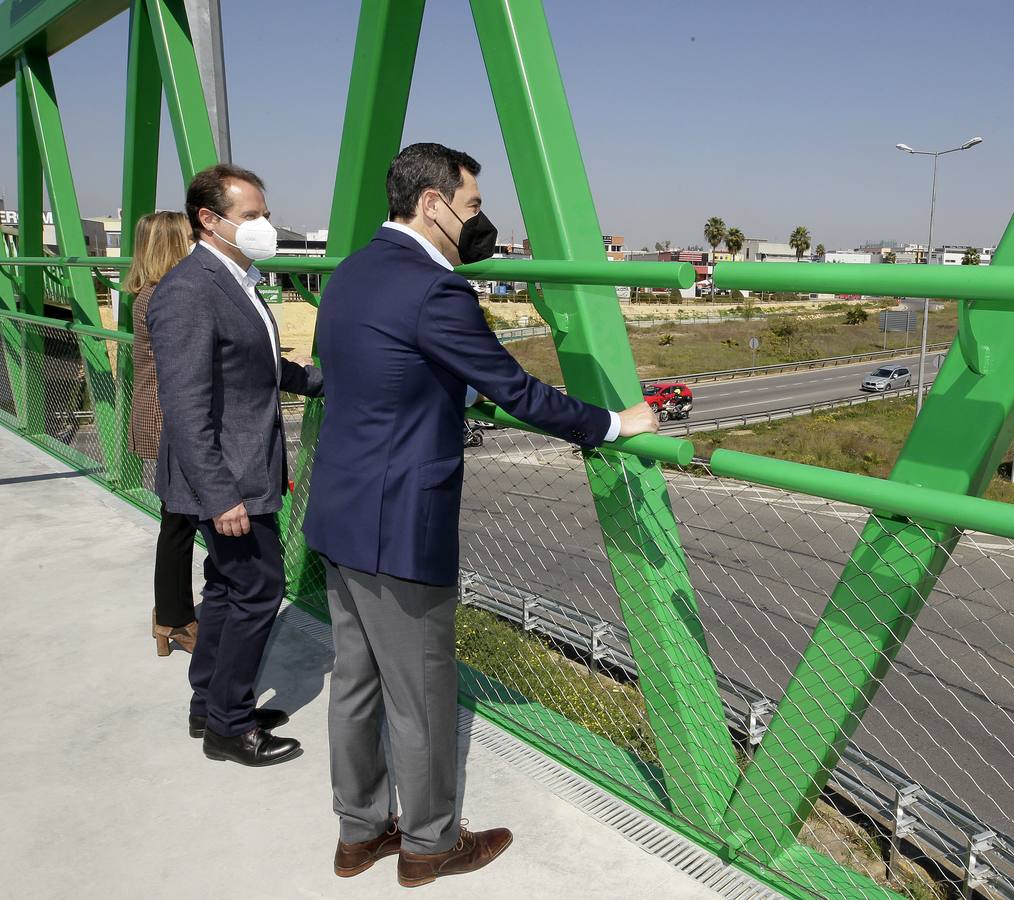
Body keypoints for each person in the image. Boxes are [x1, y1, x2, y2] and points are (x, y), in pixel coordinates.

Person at [304, 142, 657, 886]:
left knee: (356, 681)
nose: (476, 222)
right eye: (469, 206)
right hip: (399, 525)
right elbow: (517, 389)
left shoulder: (350, 273)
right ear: (431, 203)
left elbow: (378, 370)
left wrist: (449, 389)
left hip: (337, 509)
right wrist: (613, 425)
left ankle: (358, 833)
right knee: (424, 695)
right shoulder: (436, 292)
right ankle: (431, 844)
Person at [147, 163, 323, 768]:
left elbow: (260, 367)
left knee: (226, 588)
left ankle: (212, 704)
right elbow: (187, 407)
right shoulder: (189, 291)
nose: (264, 225)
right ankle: (229, 725)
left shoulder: (234, 280)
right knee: (257, 588)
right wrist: (221, 496)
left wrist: (325, 380)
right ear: (209, 220)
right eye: (251, 216)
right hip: (226, 479)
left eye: (264, 214)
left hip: (242, 470)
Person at [127, 210, 199, 657]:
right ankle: (173, 618)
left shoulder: (145, 293)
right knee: (178, 524)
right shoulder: (163, 297)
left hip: (155, 413)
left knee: (177, 521)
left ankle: (167, 617)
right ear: (174, 244)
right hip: (169, 417)